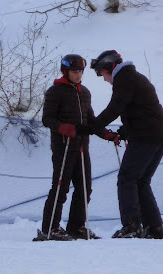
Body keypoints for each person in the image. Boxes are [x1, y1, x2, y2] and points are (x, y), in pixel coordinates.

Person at [33, 54, 119, 241]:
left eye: (80, 71)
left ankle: (75, 226)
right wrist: (63, 127)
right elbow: (47, 118)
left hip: (81, 147)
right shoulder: (55, 91)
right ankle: (50, 228)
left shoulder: (84, 92)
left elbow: (91, 121)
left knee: (84, 188)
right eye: (74, 71)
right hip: (63, 147)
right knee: (60, 188)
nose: (78, 74)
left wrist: (106, 134)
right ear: (66, 71)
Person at [90, 50, 163, 239]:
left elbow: (115, 108)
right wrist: (126, 131)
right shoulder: (134, 77)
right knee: (141, 181)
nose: (104, 80)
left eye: (102, 74)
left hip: (145, 137)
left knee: (127, 179)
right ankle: (154, 228)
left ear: (110, 67)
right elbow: (141, 109)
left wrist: (92, 126)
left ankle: (132, 226)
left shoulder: (125, 79)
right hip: (158, 136)